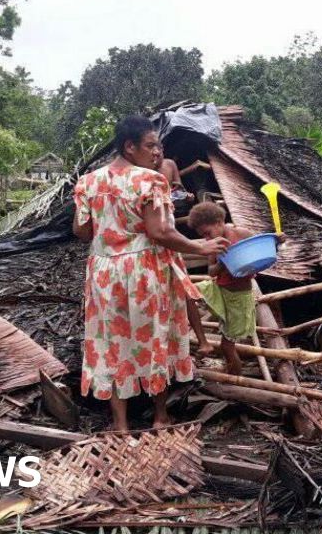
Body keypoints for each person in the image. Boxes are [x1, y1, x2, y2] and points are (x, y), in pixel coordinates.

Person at [73, 116, 229, 431]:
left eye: (158, 145)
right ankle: (160, 417)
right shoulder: (150, 181)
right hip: (144, 269)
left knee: (112, 341)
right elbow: (159, 232)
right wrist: (200, 248)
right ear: (129, 147)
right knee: (154, 337)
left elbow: (81, 230)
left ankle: (120, 423)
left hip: (104, 271)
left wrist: (112, 230)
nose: (157, 152)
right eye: (150, 145)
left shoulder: (88, 182)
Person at [187, 202, 284, 375]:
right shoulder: (214, 244)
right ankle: (203, 342)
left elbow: (262, 253)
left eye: (207, 233)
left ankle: (235, 376)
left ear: (219, 222)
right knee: (188, 292)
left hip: (239, 297)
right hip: (219, 288)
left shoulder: (242, 234)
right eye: (203, 236)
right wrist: (222, 261)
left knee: (227, 346)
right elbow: (211, 272)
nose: (207, 239)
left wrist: (277, 242)